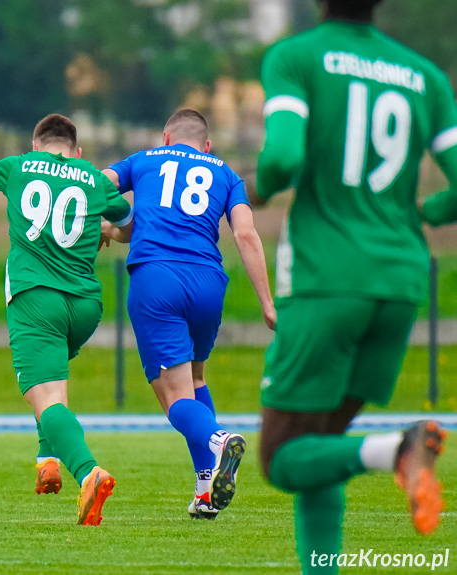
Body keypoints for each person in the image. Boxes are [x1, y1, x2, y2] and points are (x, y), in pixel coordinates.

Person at [254, 0, 455, 571]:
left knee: (282, 456)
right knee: (321, 444)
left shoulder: (295, 57)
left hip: (325, 280)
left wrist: (261, 188)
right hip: (400, 282)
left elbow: (284, 155)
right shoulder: (425, 75)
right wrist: (426, 214)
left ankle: (398, 449)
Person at [0, 113, 134, 526]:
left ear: (37, 145)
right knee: (52, 380)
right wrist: (105, 229)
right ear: (77, 151)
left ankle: (89, 473)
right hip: (86, 305)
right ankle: (47, 459)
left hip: (35, 297)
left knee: (44, 394)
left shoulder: (17, 165)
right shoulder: (95, 179)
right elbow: (129, 227)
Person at [101, 109, 276, 519]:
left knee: (173, 396)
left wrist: (111, 223)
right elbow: (246, 233)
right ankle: (205, 490)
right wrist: (267, 303)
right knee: (195, 380)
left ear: (166, 138)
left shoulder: (142, 161)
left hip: (157, 279)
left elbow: (96, 185)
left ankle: (219, 438)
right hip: (208, 282)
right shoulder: (228, 175)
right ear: (207, 145)